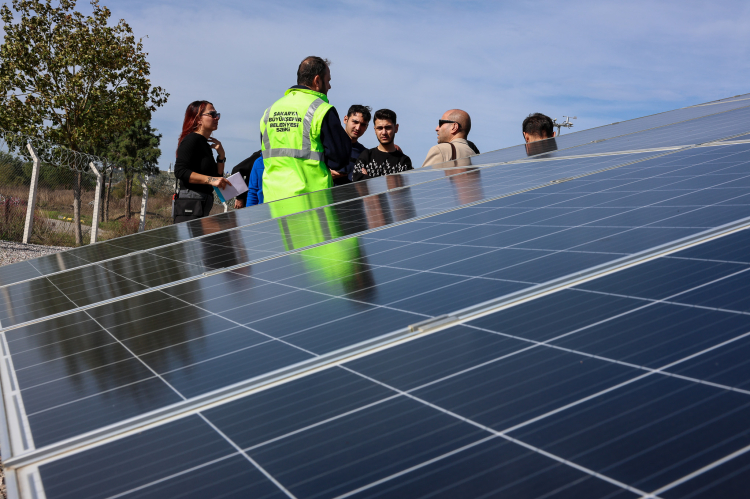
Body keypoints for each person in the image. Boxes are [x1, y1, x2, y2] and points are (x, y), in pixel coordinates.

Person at [259, 56, 351, 202]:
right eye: (328, 80)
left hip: (274, 200)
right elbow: (339, 160)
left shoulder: (269, 111)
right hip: (311, 201)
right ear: (317, 81)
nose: (329, 86)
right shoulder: (321, 110)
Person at [173, 100, 231, 223]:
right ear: (198, 119)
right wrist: (211, 180)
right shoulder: (192, 139)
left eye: (217, 115)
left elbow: (217, 177)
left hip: (201, 204)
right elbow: (180, 171)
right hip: (191, 205)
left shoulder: (204, 144)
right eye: (212, 114)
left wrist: (221, 156)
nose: (217, 118)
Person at [352, 109, 412, 181]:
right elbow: (357, 183)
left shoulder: (403, 161)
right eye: (380, 128)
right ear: (375, 130)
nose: (384, 132)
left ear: (396, 128)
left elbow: (403, 187)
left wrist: (369, 180)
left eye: (388, 128)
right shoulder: (366, 156)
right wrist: (390, 181)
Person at [342, 105, 371, 184]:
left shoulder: (365, 154)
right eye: (355, 122)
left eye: (363, 125)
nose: (358, 128)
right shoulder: (328, 144)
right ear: (345, 119)